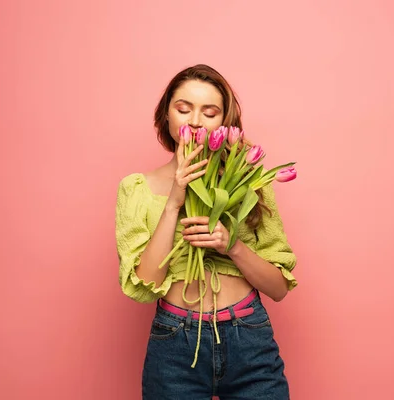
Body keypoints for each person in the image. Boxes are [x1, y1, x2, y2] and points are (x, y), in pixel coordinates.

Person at [115, 64, 298, 399]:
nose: (195, 121)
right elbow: (144, 287)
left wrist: (233, 247)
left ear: (224, 124)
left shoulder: (249, 184)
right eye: (183, 109)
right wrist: (174, 202)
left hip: (249, 336)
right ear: (167, 115)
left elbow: (279, 288)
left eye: (209, 112)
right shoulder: (137, 189)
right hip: (175, 342)